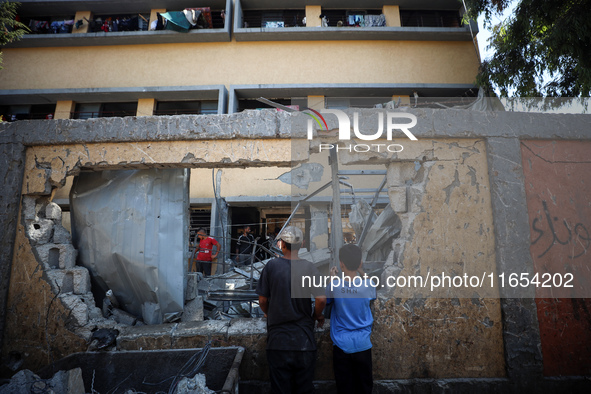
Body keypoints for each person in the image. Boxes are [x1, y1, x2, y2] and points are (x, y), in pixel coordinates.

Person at [256, 226, 326, 394]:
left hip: (278, 342)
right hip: (304, 341)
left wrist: (267, 312)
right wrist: (317, 315)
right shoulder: (310, 268)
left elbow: (263, 300)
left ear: (282, 245)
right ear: (302, 244)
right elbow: (321, 299)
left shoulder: (271, 267)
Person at [327, 244, 376, 394]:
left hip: (342, 344)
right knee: (365, 387)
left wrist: (332, 278)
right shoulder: (368, 285)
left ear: (341, 263)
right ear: (360, 262)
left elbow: (327, 301)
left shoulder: (334, 285)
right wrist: (361, 272)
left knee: (344, 388)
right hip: (363, 343)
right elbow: (371, 290)